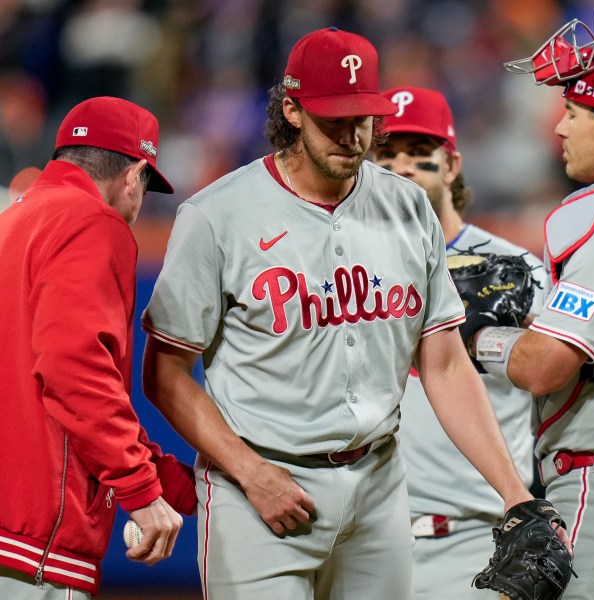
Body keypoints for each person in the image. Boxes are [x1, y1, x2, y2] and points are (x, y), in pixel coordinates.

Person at [141, 27, 555, 600]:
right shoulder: (217, 216)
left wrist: (516, 495)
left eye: (362, 116)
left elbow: (446, 365)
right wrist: (249, 472)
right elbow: (164, 374)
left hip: (379, 484)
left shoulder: (407, 206)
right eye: (332, 116)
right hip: (261, 485)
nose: (351, 133)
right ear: (291, 109)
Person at [0, 96, 197, 599]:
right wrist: (140, 490)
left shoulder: (16, 220)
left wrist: (178, 486)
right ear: (133, 176)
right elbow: (75, 371)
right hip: (33, 537)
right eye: (147, 188)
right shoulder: (94, 222)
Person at [372, 86, 545, 598]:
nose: (401, 166)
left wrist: (488, 337)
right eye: (386, 153)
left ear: (451, 165)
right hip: (361, 541)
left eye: (418, 153)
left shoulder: (515, 271)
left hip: (472, 542)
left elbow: (554, 375)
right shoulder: (343, 268)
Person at [462, 14, 594, 599]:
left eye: (575, 113)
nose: (559, 128)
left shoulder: (588, 216)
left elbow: (545, 364)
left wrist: (481, 338)